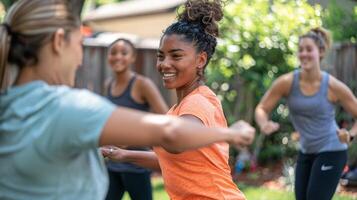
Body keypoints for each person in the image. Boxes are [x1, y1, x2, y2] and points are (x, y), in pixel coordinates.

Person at [0, 0, 255, 199]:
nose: (80, 59)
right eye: (79, 44)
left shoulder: (11, 105)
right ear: (58, 42)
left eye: (175, 56)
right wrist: (231, 133)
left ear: (200, 60)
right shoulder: (65, 106)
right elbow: (172, 138)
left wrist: (124, 154)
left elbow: (175, 145)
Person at [102, 0, 251, 199]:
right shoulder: (178, 109)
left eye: (176, 56)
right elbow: (171, 159)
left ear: (201, 60)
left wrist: (128, 133)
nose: (165, 64)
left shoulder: (198, 102)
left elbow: (175, 139)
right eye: (161, 56)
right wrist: (124, 155)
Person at [255, 27, 357, 200]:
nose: (304, 54)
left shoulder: (332, 86)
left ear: (321, 52)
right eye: (300, 50)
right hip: (307, 151)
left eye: (309, 49)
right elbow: (262, 108)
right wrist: (264, 123)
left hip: (332, 150)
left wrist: (350, 135)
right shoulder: (287, 82)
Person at [105, 38, 168, 200]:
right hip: (113, 164)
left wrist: (137, 136)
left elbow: (167, 119)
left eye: (124, 53)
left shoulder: (142, 84)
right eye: (113, 52)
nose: (118, 56)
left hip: (136, 165)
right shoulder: (108, 85)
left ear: (132, 57)